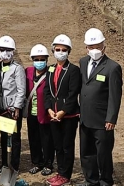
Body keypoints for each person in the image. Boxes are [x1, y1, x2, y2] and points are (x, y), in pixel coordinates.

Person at [78, 28, 122, 186]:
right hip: (85, 118)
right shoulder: (83, 63)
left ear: (104, 46)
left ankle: (105, 181)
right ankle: (91, 180)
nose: (95, 50)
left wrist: (111, 118)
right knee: (86, 153)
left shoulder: (112, 67)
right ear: (86, 48)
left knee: (103, 154)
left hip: (102, 120)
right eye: (91, 47)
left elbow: (115, 96)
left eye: (98, 46)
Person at [43, 34, 81, 186]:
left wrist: (63, 112)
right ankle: (60, 172)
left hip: (68, 116)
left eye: (63, 50)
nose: (60, 52)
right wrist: (49, 109)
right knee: (57, 145)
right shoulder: (51, 69)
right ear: (53, 51)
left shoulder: (73, 70)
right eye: (57, 49)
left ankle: (66, 175)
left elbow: (73, 94)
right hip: (53, 115)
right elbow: (47, 91)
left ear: (68, 51)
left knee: (67, 146)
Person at [0, 36, 25, 175]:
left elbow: (21, 90)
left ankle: (14, 165)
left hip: (12, 109)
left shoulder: (17, 69)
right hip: (1, 108)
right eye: (2, 50)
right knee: (3, 137)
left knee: (13, 137)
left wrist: (17, 107)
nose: (5, 53)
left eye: (8, 50)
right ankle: (4, 163)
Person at [24, 44, 54, 176]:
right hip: (32, 113)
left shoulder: (50, 73)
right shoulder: (28, 72)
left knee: (47, 140)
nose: (39, 62)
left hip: (45, 114)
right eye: (36, 59)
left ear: (47, 60)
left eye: (42, 59)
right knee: (33, 138)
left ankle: (48, 164)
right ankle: (37, 162)